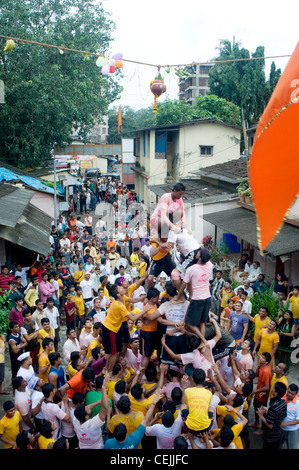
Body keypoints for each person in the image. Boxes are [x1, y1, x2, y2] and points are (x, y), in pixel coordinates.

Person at [178, 247, 213, 338]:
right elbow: (207, 257)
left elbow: (183, 285)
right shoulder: (209, 265)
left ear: (200, 258)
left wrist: (178, 295)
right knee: (202, 323)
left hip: (197, 299)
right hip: (207, 297)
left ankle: (202, 340)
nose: (197, 253)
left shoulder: (191, 269)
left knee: (189, 322)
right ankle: (202, 341)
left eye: (199, 253)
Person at [73, 373, 110, 449]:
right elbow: (104, 409)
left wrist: (99, 402)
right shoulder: (93, 425)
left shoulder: (76, 420)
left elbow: (86, 408)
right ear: (86, 417)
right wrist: (103, 388)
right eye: (88, 409)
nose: (89, 407)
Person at [257, 381, 287, 449]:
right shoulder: (283, 402)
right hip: (278, 434)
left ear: (276, 393)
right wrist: (268, 410)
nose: (272, 388)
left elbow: (270, 426)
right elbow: (282, 415)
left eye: (273, 388)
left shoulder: (273, 407)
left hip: (271, 437)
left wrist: (261, 415)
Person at [250, 352, 272, 433]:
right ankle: (256, 423)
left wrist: (255, 391)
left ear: (266, 362)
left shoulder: (266, 371)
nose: (260, 358)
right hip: (258, 393)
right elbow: (256, 375)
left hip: (262, 396)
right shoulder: (262, 366)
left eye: (263, 358)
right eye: (261, 356)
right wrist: (258, 366)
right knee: (256, 407)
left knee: (262, 411)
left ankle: (262, 429)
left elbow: (267, 387)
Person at [280, 384, 299, 449]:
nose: (289, 395)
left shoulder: (297, 404)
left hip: (292, 430)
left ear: (296, 394)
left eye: (292, 394)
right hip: (281, 428)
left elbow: (298, 420)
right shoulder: (282, 397)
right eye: (289, 392)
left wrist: (286, 424)